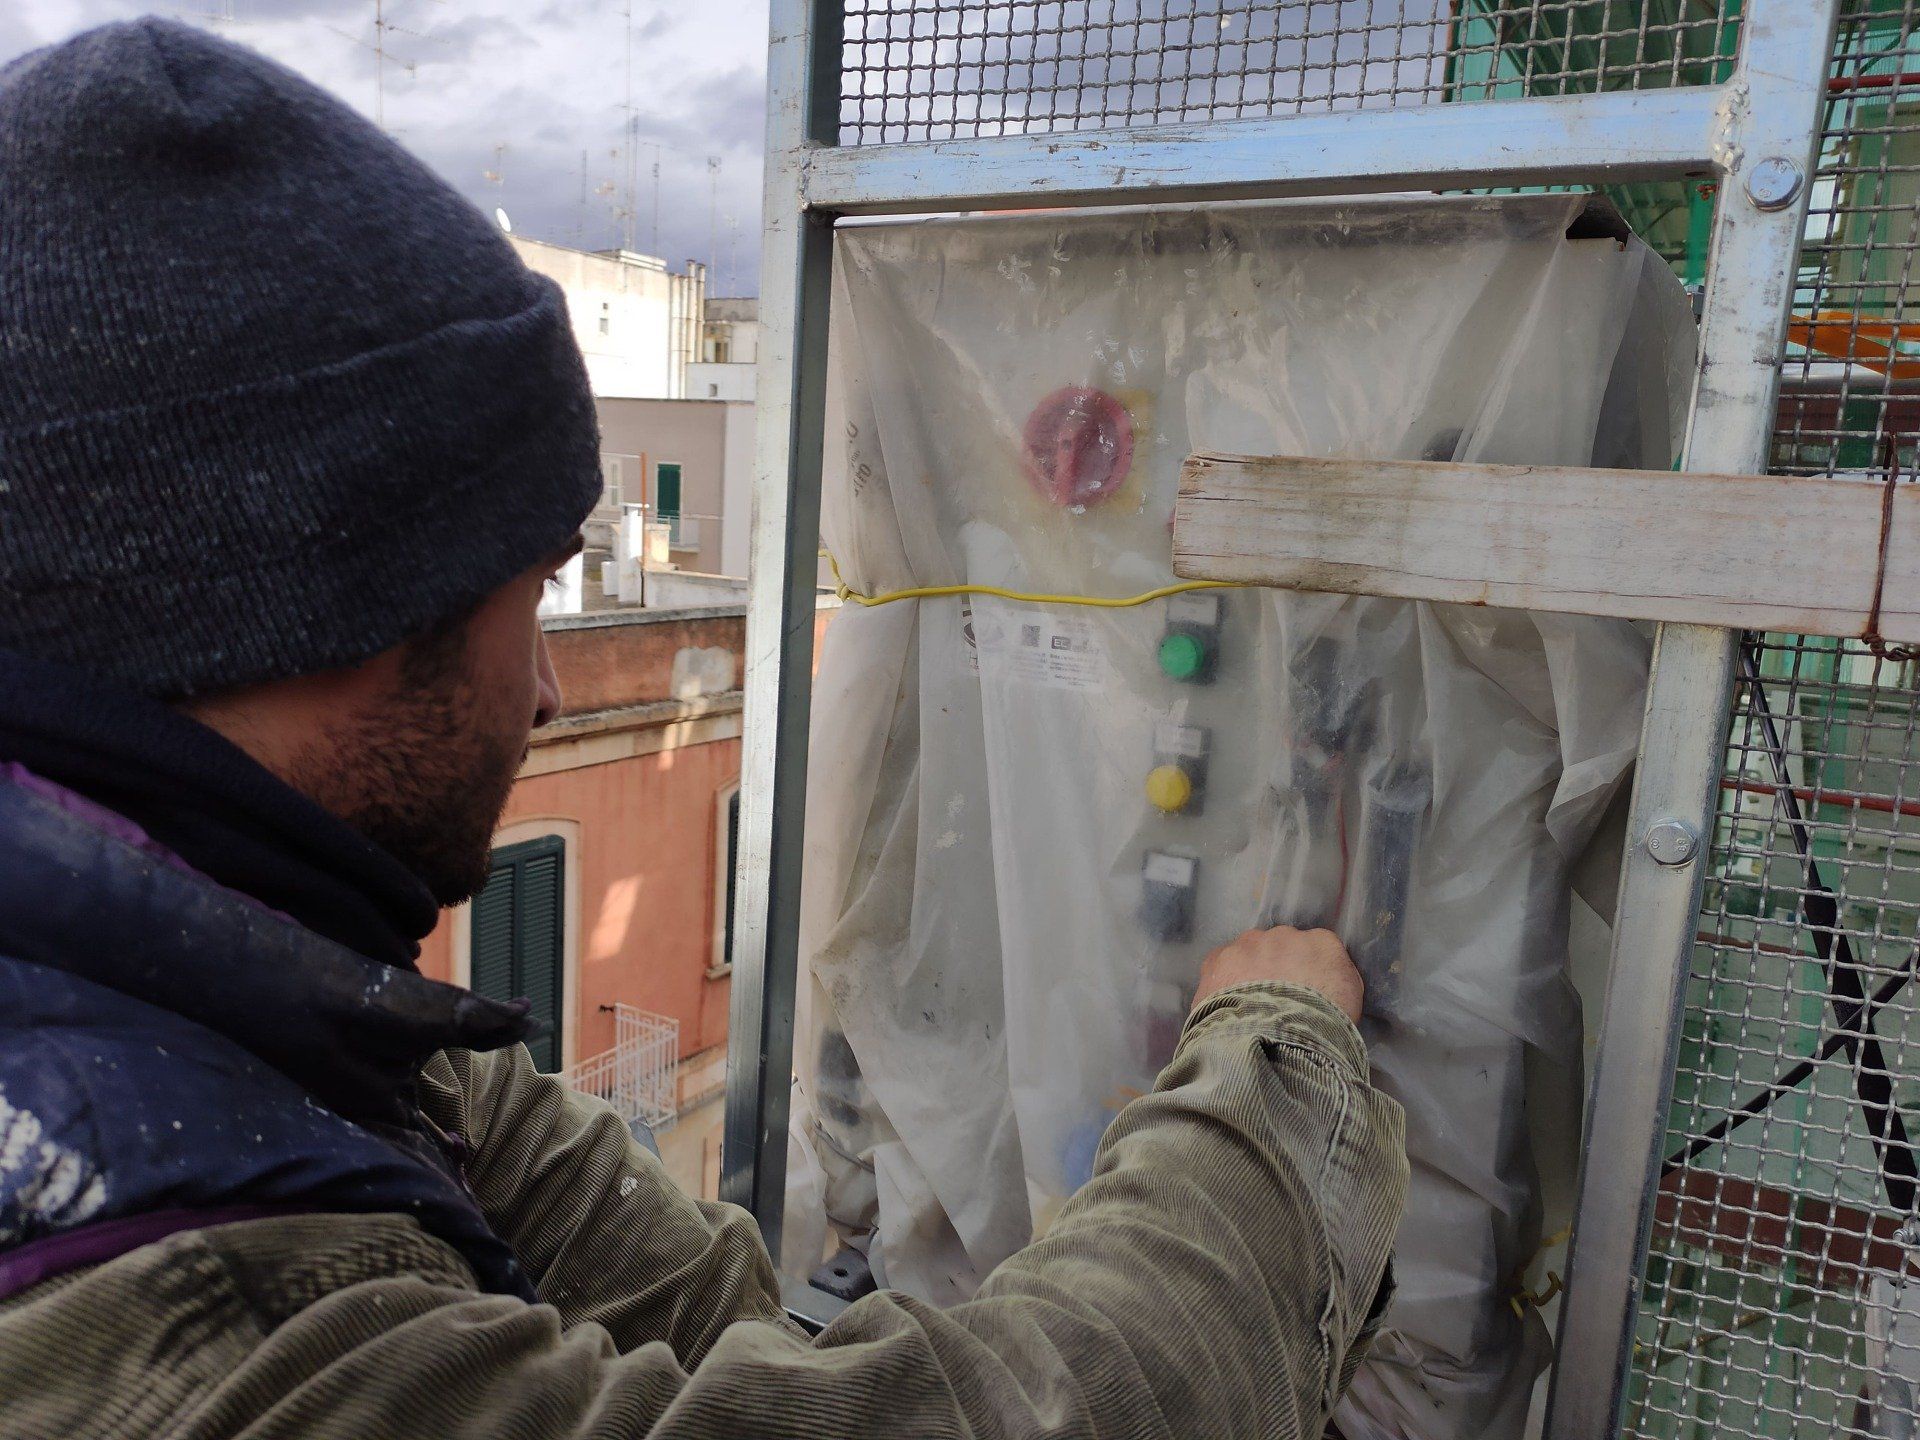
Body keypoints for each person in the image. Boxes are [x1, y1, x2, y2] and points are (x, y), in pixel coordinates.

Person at [0, 18, 1408, 1439]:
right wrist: (1274, 1079)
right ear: (350, 610)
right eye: (533, 594)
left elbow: (533, 1175)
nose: (547, 692)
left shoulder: (203, 984)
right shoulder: (184, 1310)